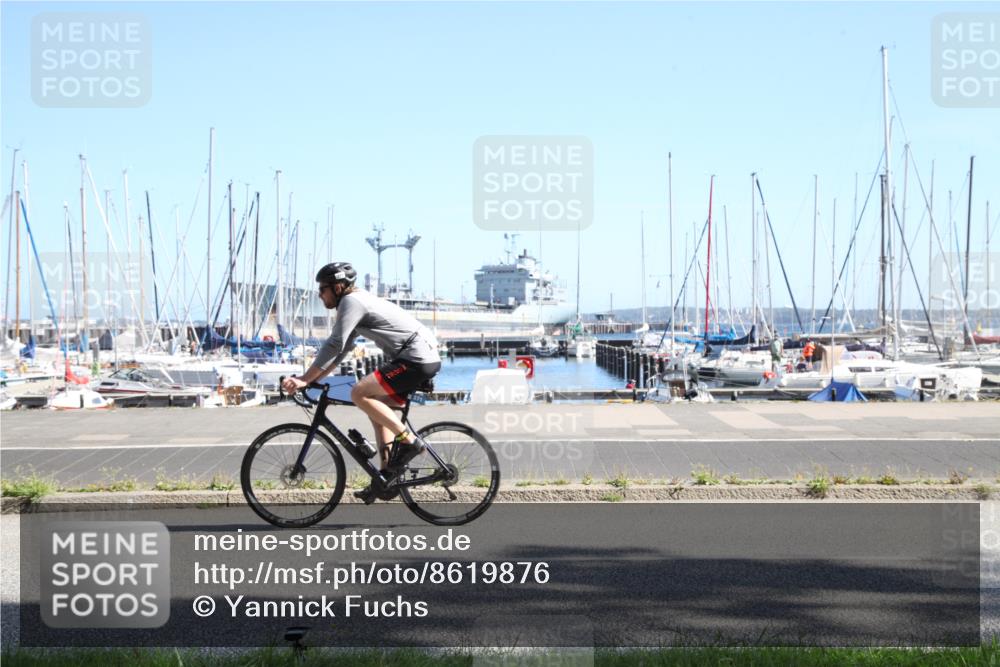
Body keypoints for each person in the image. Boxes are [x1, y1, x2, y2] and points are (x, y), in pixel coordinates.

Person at [281, 262, 442, 504]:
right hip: (417, 357)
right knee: (375, 404)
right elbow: (342, 350)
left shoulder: (352, 302)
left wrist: (304, 379)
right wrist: (313, 380)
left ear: (337, 287)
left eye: (322, 289)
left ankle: (409, 441)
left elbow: (334, 343)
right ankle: (386, 476)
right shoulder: (355, 304)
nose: (319, 294)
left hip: (416, 358)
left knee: (359, 393)